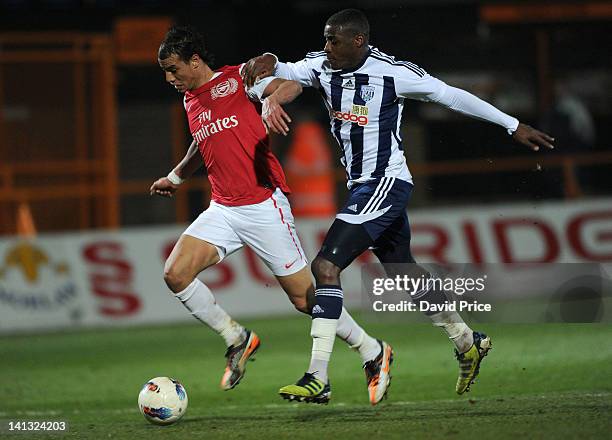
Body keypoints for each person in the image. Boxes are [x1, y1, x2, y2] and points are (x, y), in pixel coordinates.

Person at [242, 9, 555, 403]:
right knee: (403, 271)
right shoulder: (321, 66)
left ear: (358, 41)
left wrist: (512, 125)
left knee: (325, 266)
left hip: (385, 182)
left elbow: (451, 95)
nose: (326, 47)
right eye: (324, 39)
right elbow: (276, 73)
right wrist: (265, 79)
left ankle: (317, 375)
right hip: (362, 186)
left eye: (333, 40)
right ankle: (466, 341)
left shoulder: (394, 72)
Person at [150, 25, 392, 403]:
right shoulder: (190, 100)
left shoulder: (238, 78)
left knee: (305, 300)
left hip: (264, 206)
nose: (169, 78)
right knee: (175, 274)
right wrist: (176, 176)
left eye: (173, 68)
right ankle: (237, 338)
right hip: (223, 209)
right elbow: (203, 141)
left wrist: (270, 100)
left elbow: (287, 87)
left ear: (194, 60)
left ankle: (372, 351)